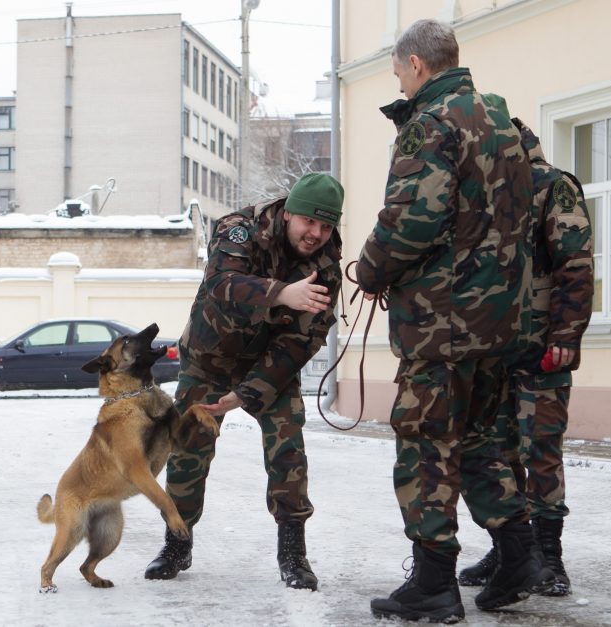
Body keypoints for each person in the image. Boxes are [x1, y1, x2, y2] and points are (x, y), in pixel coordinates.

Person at [356, 19, 554, 622]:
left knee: (425, 444)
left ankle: (434, 585)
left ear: (415, 64)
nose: (399, 81)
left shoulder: (430, 123)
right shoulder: (505, 124)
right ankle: (518, 555)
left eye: (397, 71)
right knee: (483, 442)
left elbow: (412, 220)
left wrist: (369, 270)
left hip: (443, 323)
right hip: (503, 322)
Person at [143, 172, 344, 591]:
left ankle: (293, 554)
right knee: (188, 452)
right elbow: (220, 283)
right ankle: (177, 543)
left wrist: (249, 392)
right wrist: (280, 293)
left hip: (269, 366)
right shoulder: (241, 229)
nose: (317, 234)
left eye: (326, 226)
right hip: (208, 360)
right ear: (289, 212)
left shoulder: (325, 264)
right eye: (309, 221)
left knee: (288, 449)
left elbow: (304, 338)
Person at [458, 102, 594, 597]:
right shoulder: (491, 194)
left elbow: (574, 265)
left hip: (541, 347)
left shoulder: (552, 185)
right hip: (493, 348)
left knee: (540, 449)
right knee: (496, 449)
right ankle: (509, 551)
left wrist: (565, 336)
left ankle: (550, 557)